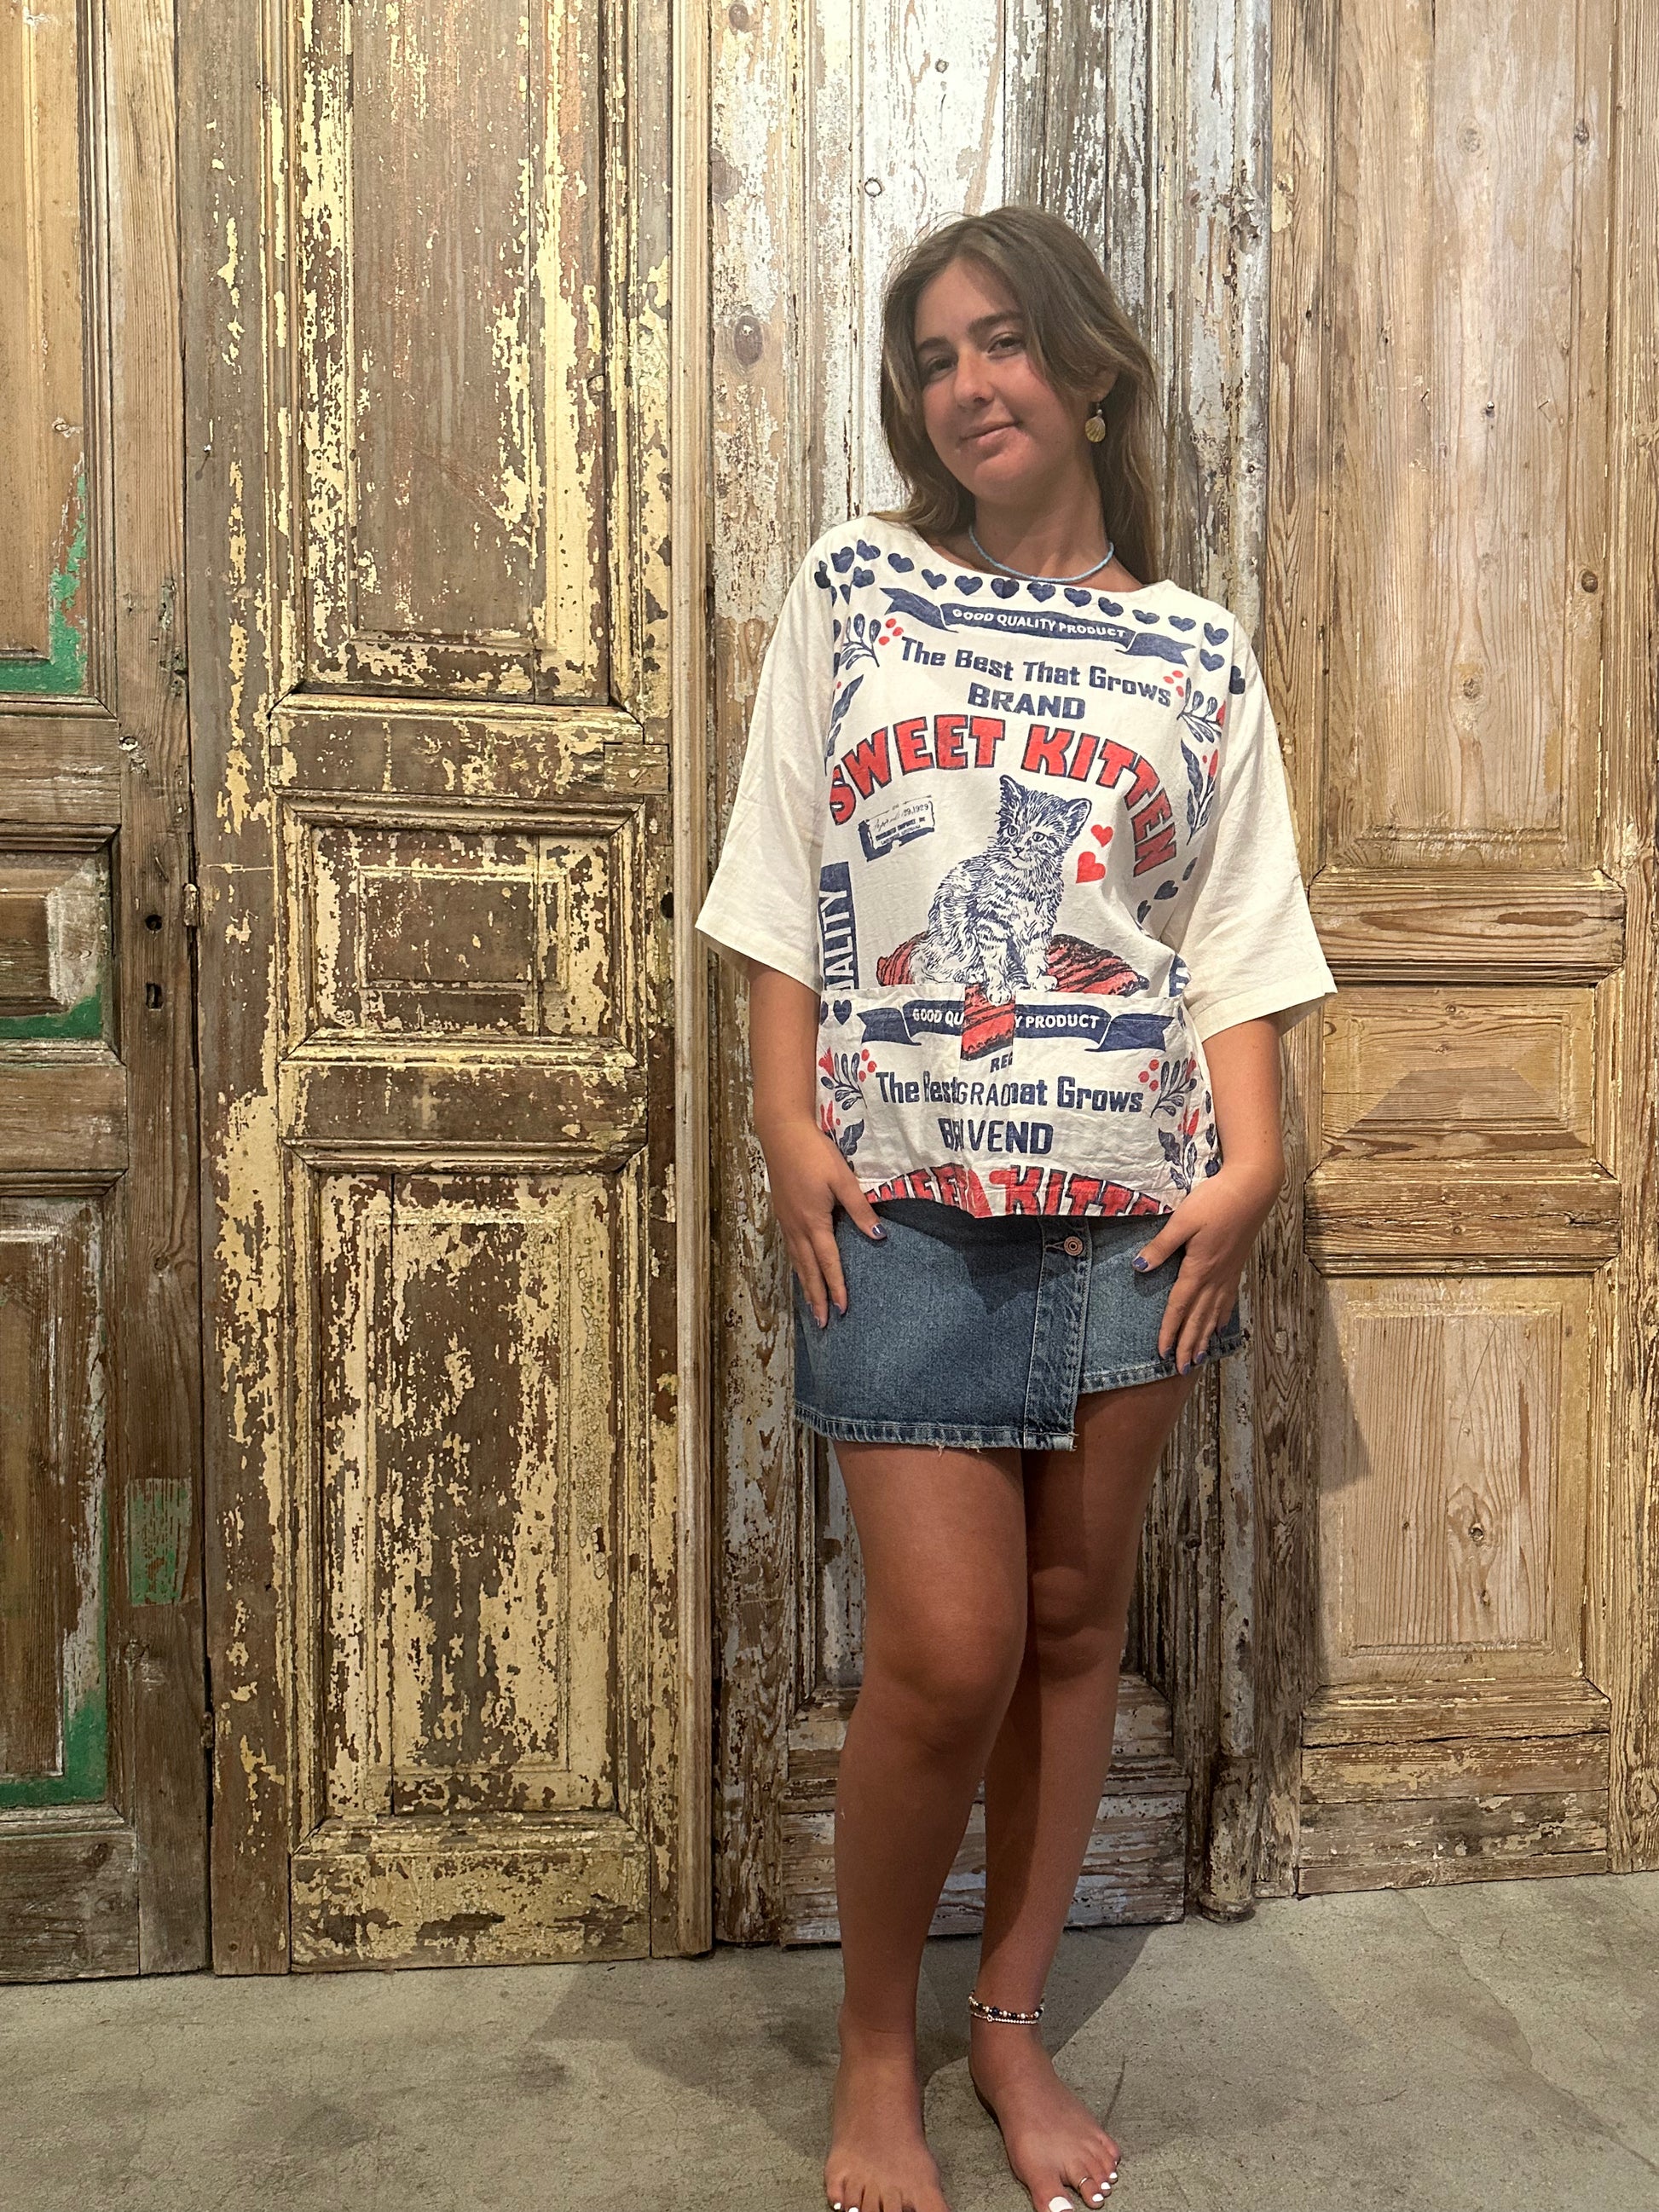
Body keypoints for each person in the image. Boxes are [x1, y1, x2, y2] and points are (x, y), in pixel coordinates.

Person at [696, 205, 1337, 2212]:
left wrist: (1252, 1161)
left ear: (1088, 370)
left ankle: (1005, 2018)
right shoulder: (860, 586)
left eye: (1002, 342)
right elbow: (779, 853)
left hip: (1136, 1206)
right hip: (901, 1195)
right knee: (947, 1648)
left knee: (1071, 1630)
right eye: (933, 357)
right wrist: (783, 1116)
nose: (967, 383)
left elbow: (1230, 932)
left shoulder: (1194, 647)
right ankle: (876, 2051)